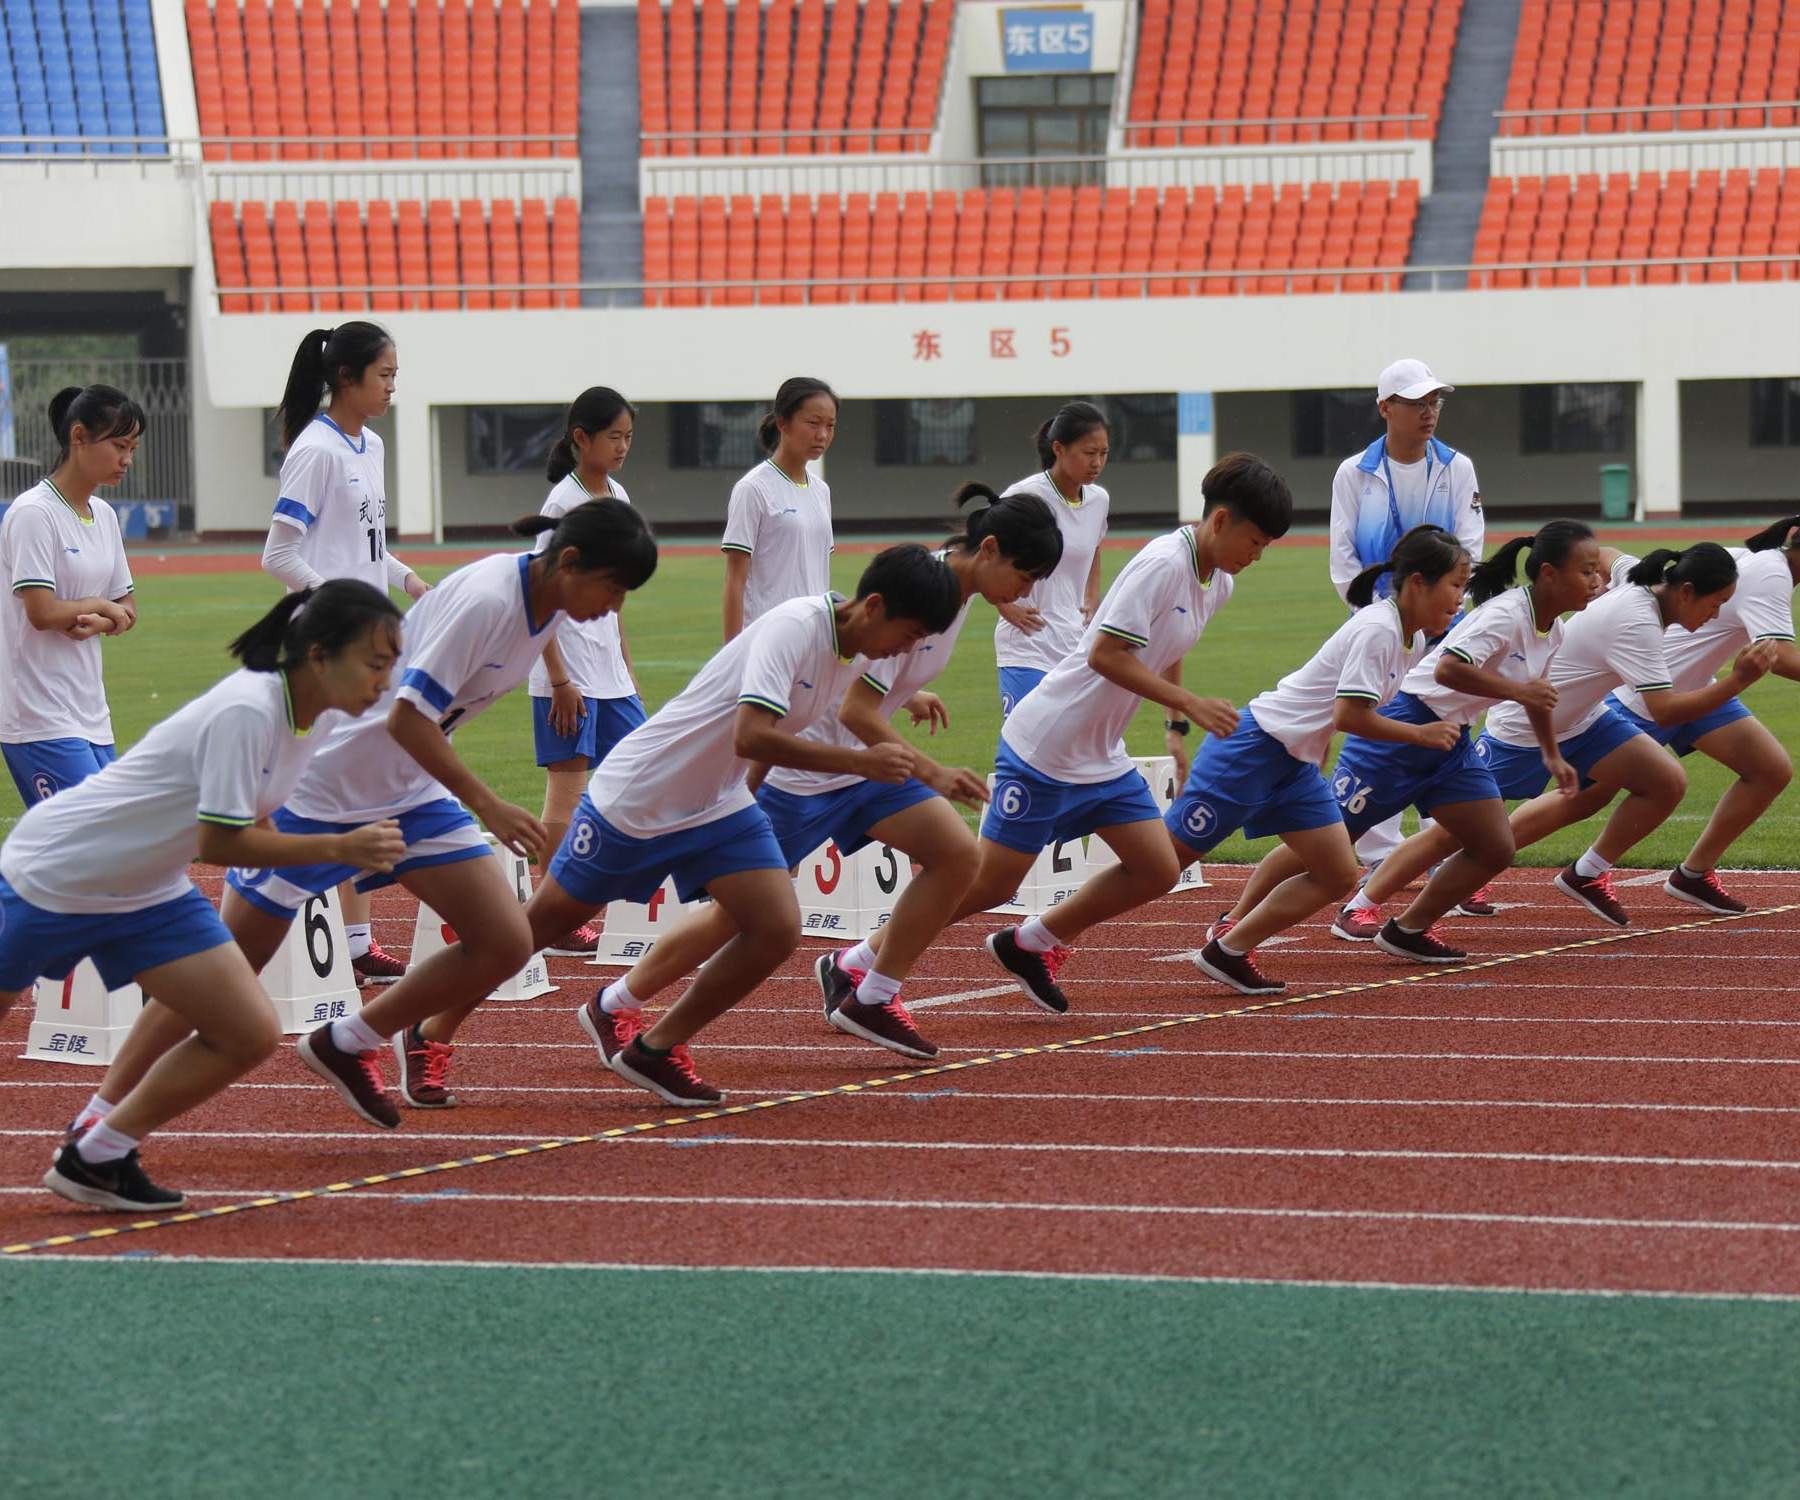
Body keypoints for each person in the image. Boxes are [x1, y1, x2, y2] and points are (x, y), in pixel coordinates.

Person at [225, 500, 658, 1128]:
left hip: (409, 788)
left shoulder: (547, 605)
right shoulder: (489, 600)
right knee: (224, 980)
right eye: (614, 587)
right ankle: (103, 1125)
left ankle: (348, 1041)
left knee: (504, 941)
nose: (615, 606)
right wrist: (488, 802)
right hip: (326, 790)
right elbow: (406, 716)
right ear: (569, 562)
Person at [510, 546, 961, 1105]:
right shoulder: (799, 627)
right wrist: (864, 762)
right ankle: (424, 1024)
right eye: (909, 635)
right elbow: (756, 732)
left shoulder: (859, 647)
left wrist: (907, 700)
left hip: (730, 798)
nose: (907, 650)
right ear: (873, 607)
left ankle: (657, 1045)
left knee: (778, 924)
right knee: (541, 925)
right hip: (657, 794)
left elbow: (837, 703)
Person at [630, 484, 1063, 1066]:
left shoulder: (956, 595)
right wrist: (932, 770)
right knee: (737, 914)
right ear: (988, 549)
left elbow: (870, 677)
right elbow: (856, 705)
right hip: (813, 769)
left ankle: (869, 987)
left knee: (959, 855)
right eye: (1026, 575)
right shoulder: (928, 590)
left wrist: (907, 694)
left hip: (863, 772)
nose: (1026, 592)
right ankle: (617, 1000)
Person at [15, 582, 407, 1211]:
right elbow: (222, 843)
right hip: (58, 873)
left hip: (146, 889)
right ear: (318, 655)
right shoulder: (249, 709)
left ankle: (97, 1152)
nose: (385, 682)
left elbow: (256, 816)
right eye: (376, 663)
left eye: (391, 665)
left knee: (248, 1030)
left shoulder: (311, 715)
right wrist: (339, 849)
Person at [859, 453, 1292, 1016]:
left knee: (1159, 867)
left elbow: (1168, 649)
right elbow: (1106, 653)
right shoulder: (1163, 562)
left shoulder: (1218, 582)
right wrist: (1189, 702)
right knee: (989, 885)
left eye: (1266, 547)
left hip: (1099, 751)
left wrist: (1175, 726)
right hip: (1049, 742)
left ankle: (1030, 942)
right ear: (1220, 520)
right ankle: (859, 961)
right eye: (1255, 541)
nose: (1256, 556)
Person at [1367, 544, 1772, 927]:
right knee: (1459, 832)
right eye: (1716, 604)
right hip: (1522, 725)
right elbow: (1663, 709)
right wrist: (1739, 680)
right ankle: (1364, 903)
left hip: (1583, 719)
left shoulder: (1642, 581)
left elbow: (1613, 558)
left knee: (1663, 780)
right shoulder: (1638, 622)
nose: (1716, 616)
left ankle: (1587, 874)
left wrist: (1593, 569)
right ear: (1686, 592)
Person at [1174, 524, 1470, 994]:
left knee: (1337, 874)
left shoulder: (1409, 638)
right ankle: (1038, 936)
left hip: (1292, 760)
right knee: (1162, 861)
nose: (1461, 598)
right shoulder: (1380, 630)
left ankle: (1227, 949)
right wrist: (1420, 734)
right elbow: (1350, 714)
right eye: (1456, 584)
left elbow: (1338, 706)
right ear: (1417, 582)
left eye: (1465, 585)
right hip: (1254, 747)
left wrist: (1319, 743)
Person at [1326, 521, 1605, 956]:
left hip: (1451, 738)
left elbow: (1539, 697)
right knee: (1326, 840)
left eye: (1598, 572)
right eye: (1587, 571)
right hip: (1408, 724)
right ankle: (1236, 922)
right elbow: (1447, 669)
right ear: (1549, 573)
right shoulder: (1505, 614)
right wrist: (1516, 691)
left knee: (1495, 846)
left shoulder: (1555, 630)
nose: (1597, 582)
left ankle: (1408, 930)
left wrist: (1551, 755)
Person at [262, 322, 429, 987]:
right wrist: (338, 604)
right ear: (347, 379)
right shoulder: (316, 450)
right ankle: (271, 926)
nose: (393, 385)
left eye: (394, 374)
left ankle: (354, 941)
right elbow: (280, 553)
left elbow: (365, 542)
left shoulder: (371, 445)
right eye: (385, 374)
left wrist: (407, 579)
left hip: (372, 645)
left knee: (363, 782)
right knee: (322, 788)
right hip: (329, 650)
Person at [1327, 359, 1485, 888]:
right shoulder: (1355, 472)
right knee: (1385, 731)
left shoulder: (1457, 466)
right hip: (1382, 624)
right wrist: (1379, 617)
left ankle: (1438, 848)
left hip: (1445, 626)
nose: (1429, 412)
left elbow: (1471, 545)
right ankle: (1378, 855)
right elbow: (1344, 557)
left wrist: (1448, 608)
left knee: (1448, 729)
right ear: (1385, 409)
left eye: (1435, 401)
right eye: (1417, 402)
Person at [1591, 515, 1799, 914]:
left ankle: (1692, 874)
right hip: (1650, 693)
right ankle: (1470, 864)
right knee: (1581, 796)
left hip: (1700, 689)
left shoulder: (1767, 565)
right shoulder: (1772, 574)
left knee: (1769, 769)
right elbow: (1781, 658)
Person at [525, 387, 646, 957]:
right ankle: (549, 913)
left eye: (628, 437)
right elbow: (541, 593)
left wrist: (625, 662)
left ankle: (615, 888)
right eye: (614, 436)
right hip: (566, 671)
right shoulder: (561, 504)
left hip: (609, 671)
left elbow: (616, 594)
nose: (623, 447)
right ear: (582, 439)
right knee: (567, 791)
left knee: (646, 766)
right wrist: (558, 679)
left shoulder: (618, 493)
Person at [0, 384, 142, 806]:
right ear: (79, 437)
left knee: (91, 847)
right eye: (119, 445)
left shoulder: (104, 515)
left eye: (132, 447)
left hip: (90, 712)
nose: (127, 460)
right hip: (38, 716)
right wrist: (99, 607)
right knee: (88, 846)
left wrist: (108, 619)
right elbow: (41, 612)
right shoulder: (33, 514)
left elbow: (127, 606)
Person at [991, 402, 1119, 724]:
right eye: (1089, 453)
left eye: (1104, 453)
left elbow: (1095, 545)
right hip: (1026, 645)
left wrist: (1092, 596)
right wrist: (1005, 607)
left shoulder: (1098, 500)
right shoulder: (1024, 496)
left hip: (1075, 645)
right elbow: (983, 556)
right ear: (1059, 448)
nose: (1098, 463)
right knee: (1023, 740)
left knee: (1071, 748)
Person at [720, 376, 837, 640]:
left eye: (830, 425)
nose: (822, 434)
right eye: (813, 423)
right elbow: (734, 580)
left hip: (814, 640)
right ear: (783, 422)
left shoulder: (821, 491)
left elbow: (817, 573)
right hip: (767, 640)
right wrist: (732, 654)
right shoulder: (753, 489)